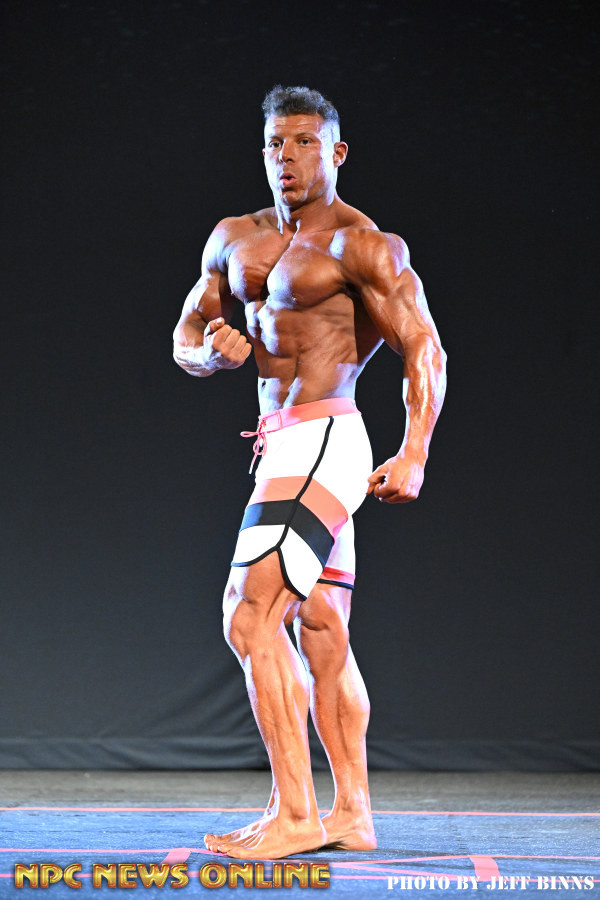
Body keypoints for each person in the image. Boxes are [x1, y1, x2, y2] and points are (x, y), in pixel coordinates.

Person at [173, 85, 447, 860]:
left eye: (302, 143)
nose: (286, 158)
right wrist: (209, 354)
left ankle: (294, 813)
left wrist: (416, 449)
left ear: (337, 152)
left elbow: (424, 347)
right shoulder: (234, 237)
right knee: (321, 627)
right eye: (274, 144)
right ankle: (350, 813)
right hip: (278, 443)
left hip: (327, 438)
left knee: (248, 615)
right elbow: (188, 330)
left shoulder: (365, 246)